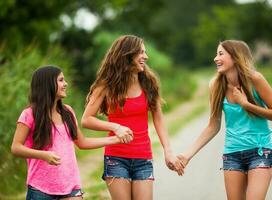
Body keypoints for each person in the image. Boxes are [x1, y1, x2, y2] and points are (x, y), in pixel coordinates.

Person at [176, 40, 272, 200]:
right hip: (232, 154)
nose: (215, 58)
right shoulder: (216, 85)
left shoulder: (255, 79)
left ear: (235, 57)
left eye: (220, 54)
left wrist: (246, 104)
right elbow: (213, 126)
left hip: (260, 151)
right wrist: (187, 155)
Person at [81, 35, 179, 200]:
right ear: (127, 54)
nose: (145, 57)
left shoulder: (149, 82)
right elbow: (86, 119)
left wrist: (168, 151)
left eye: (145, 52)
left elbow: (159, 119)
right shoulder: (105, 85)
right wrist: (115, 127)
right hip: (116, 158)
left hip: (143, 157)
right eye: (141, 52)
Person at [11, 65, 126, 200]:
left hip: (71, 187)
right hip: (40, 189)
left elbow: (82, 143)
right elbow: (16, 148)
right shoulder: (29, 114)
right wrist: (43, 155)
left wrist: (116, 139)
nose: (65, 84)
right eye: (61, 80)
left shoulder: (67, 112)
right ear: (47, 84)